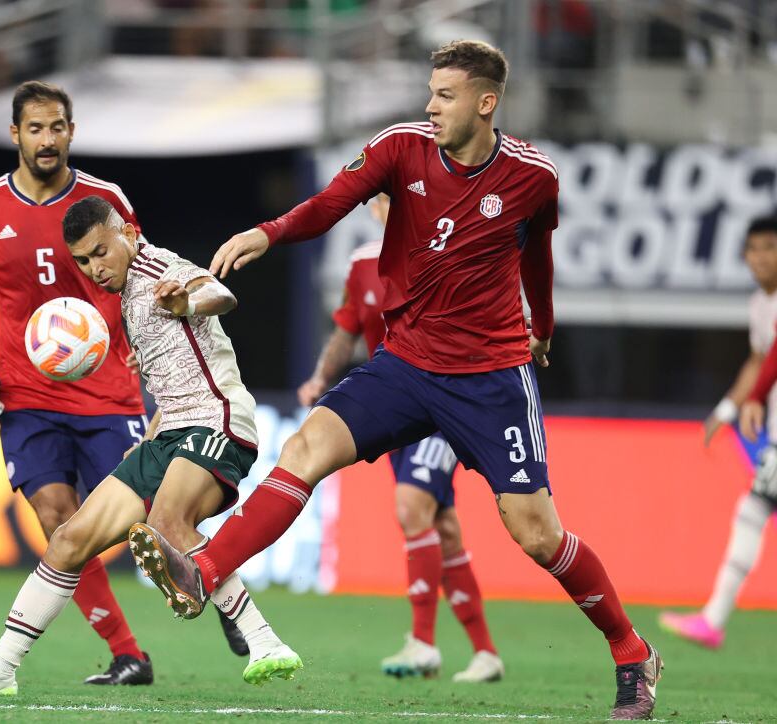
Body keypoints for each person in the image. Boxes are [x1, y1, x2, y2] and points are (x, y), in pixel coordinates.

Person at [130, 40, 663, 720]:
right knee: (305, 452)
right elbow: (331, 203)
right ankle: (201, 574)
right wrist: (269, 233)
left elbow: (538, 256)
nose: (430, 105)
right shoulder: (400, 149)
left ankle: (630, 650)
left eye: (445, 95)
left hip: (491, 373)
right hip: (406, 364)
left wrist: (544, 326)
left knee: (536, 534)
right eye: (430, 91)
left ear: (485, 102)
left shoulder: (532, 175)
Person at [0, 196, 301, 695]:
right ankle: (0, 669)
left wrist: (188, 299)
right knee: (68, 540)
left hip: (218, 422)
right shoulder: (124, 299)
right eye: (82, 261)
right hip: (167, 434)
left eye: (101, 251)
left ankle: (264, 640)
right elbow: (171, 384)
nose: (94, 268)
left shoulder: (158, 265)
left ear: (124, 231)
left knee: (167, 523)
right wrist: (144, 444)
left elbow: (219, 295)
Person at [0, 80, 243, 687]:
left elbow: (139, 273)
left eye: (58, 127)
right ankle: (128, 653)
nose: (48, 139)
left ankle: (220, 587)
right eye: (36, 129)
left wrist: (140, 343)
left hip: (108, 393)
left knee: (160, 518)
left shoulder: (105, 201)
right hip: (26, 394)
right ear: (15, 135)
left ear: (72, 132)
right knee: (59, 521)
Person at [298, 192, 502, 682]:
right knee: (443, 526)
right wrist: (319, 379)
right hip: (395, 409)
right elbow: (346, 330)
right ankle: (486, 653)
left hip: (444, 405)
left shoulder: (447, 254)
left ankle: (423, 644)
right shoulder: (363, 265)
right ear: (375, 209)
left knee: (411, 506)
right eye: (392, 200)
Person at [661, 217, 777, 648]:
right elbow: (760, 358)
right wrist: (730, 406)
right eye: (753, 248)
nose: (760, 257)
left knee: (753, 510)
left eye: (769, 247)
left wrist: (754, 399)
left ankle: (713, 619)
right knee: (753, 510)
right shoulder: (761, 304)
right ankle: (713, 619)